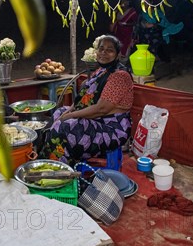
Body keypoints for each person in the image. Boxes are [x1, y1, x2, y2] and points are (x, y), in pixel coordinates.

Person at [40, 35, 134, 165]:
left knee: (68, 125)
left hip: (112, 129)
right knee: (59, 112)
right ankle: (48, 160)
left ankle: (59, 166)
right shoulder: (102, 70)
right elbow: (83, 98)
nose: (104, 53)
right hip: (96, 120)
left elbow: (101, 109)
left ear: (117, 55)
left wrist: (71, 115)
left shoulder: (119, 76)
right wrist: (68, 112)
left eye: (110, 50)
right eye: (101, 49)